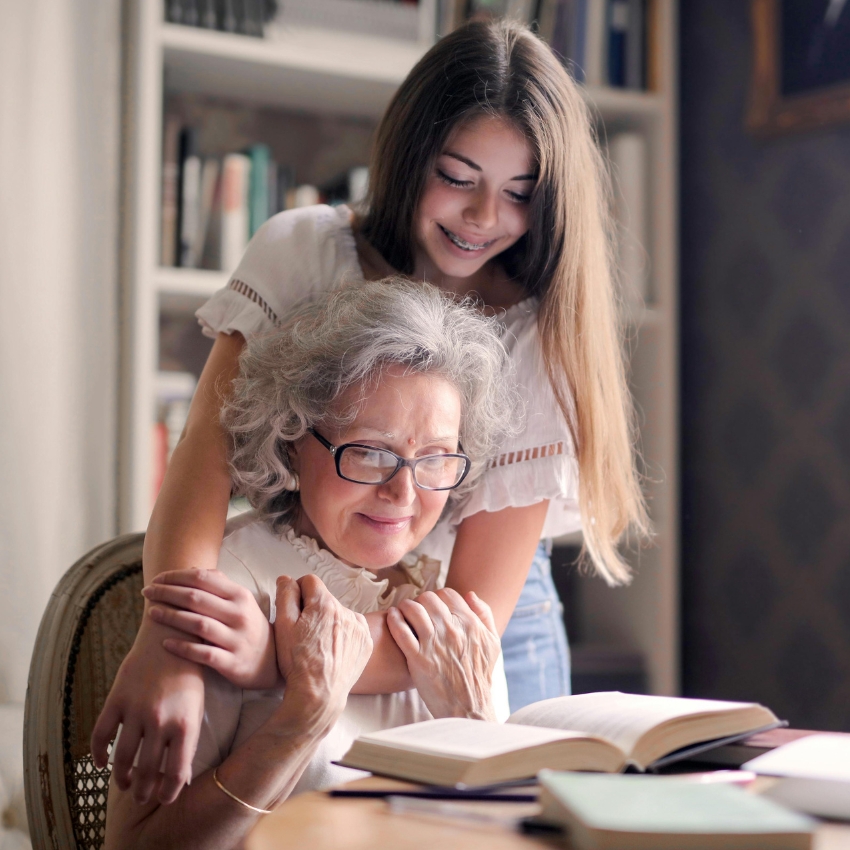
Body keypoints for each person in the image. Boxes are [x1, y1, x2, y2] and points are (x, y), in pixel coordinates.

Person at [92, 18, 649, 806]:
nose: (485, 217)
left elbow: (475, 612)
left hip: (474, 629)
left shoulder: (537, 332)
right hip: (306, 586)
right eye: (458, 176)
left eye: (520, 194)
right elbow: (201, 472)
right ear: (409, 155)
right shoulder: (305, 253)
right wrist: (170, 642)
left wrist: (271, 659)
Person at [104, 280, 510, 849]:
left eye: (437, 458)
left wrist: (473, 726)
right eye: (370, 451)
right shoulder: (226, 589)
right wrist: (298, 725)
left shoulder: (448, 610)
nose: (404, 492)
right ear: (293, 438)